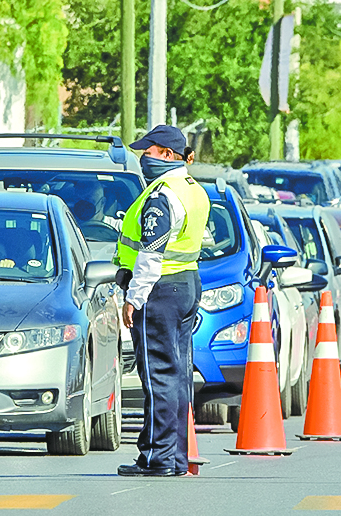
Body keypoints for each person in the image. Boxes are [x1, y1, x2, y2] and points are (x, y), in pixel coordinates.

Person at [115, 125, 210, 477]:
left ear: (167, 155)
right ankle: (175, 456)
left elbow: (150, 255)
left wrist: (134, 298)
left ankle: (158, 458)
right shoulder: (193, 190)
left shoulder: (163, 195)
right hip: (185, 283)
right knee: (178, 374)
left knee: (158, 377)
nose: (144, 158)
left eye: (149, 151)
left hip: (159, 289)